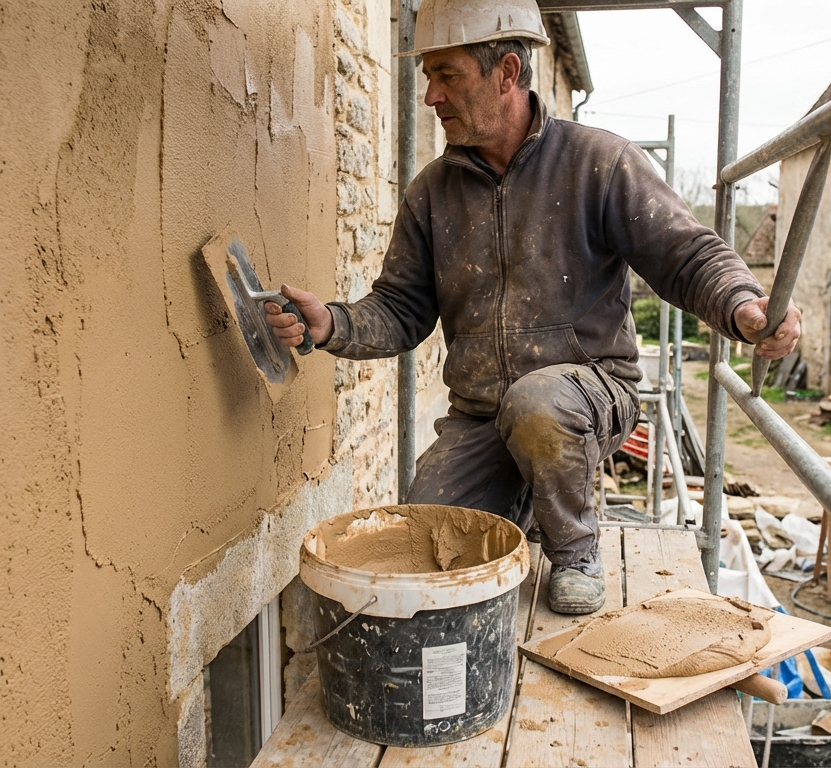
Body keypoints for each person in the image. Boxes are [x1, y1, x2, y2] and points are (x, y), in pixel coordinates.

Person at [265, 0, 799, 614]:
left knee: (538, 405)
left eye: (447, 75)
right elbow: (401, 308)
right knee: (426, 535)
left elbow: (687, 254)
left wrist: (743, 306)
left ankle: (575, 551)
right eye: (428, 76)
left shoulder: (599, 163)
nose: (431, 95)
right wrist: (332, 324)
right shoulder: (432, 193)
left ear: (508, 72)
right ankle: (523, 492)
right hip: (482, 416)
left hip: (591, 392)